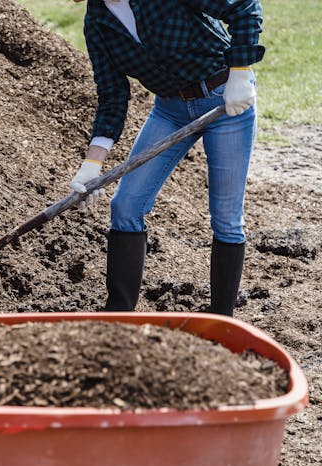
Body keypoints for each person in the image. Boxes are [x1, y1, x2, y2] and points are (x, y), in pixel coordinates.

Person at [69, 0, 263, 316]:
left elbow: (244, 7)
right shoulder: (98, 22)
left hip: (225, 103)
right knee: (126, 206)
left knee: (226, 217)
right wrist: (93, 163)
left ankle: (222, 319)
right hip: (171, 111)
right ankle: (118, 316)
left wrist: (240, 72)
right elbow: (112, 96)